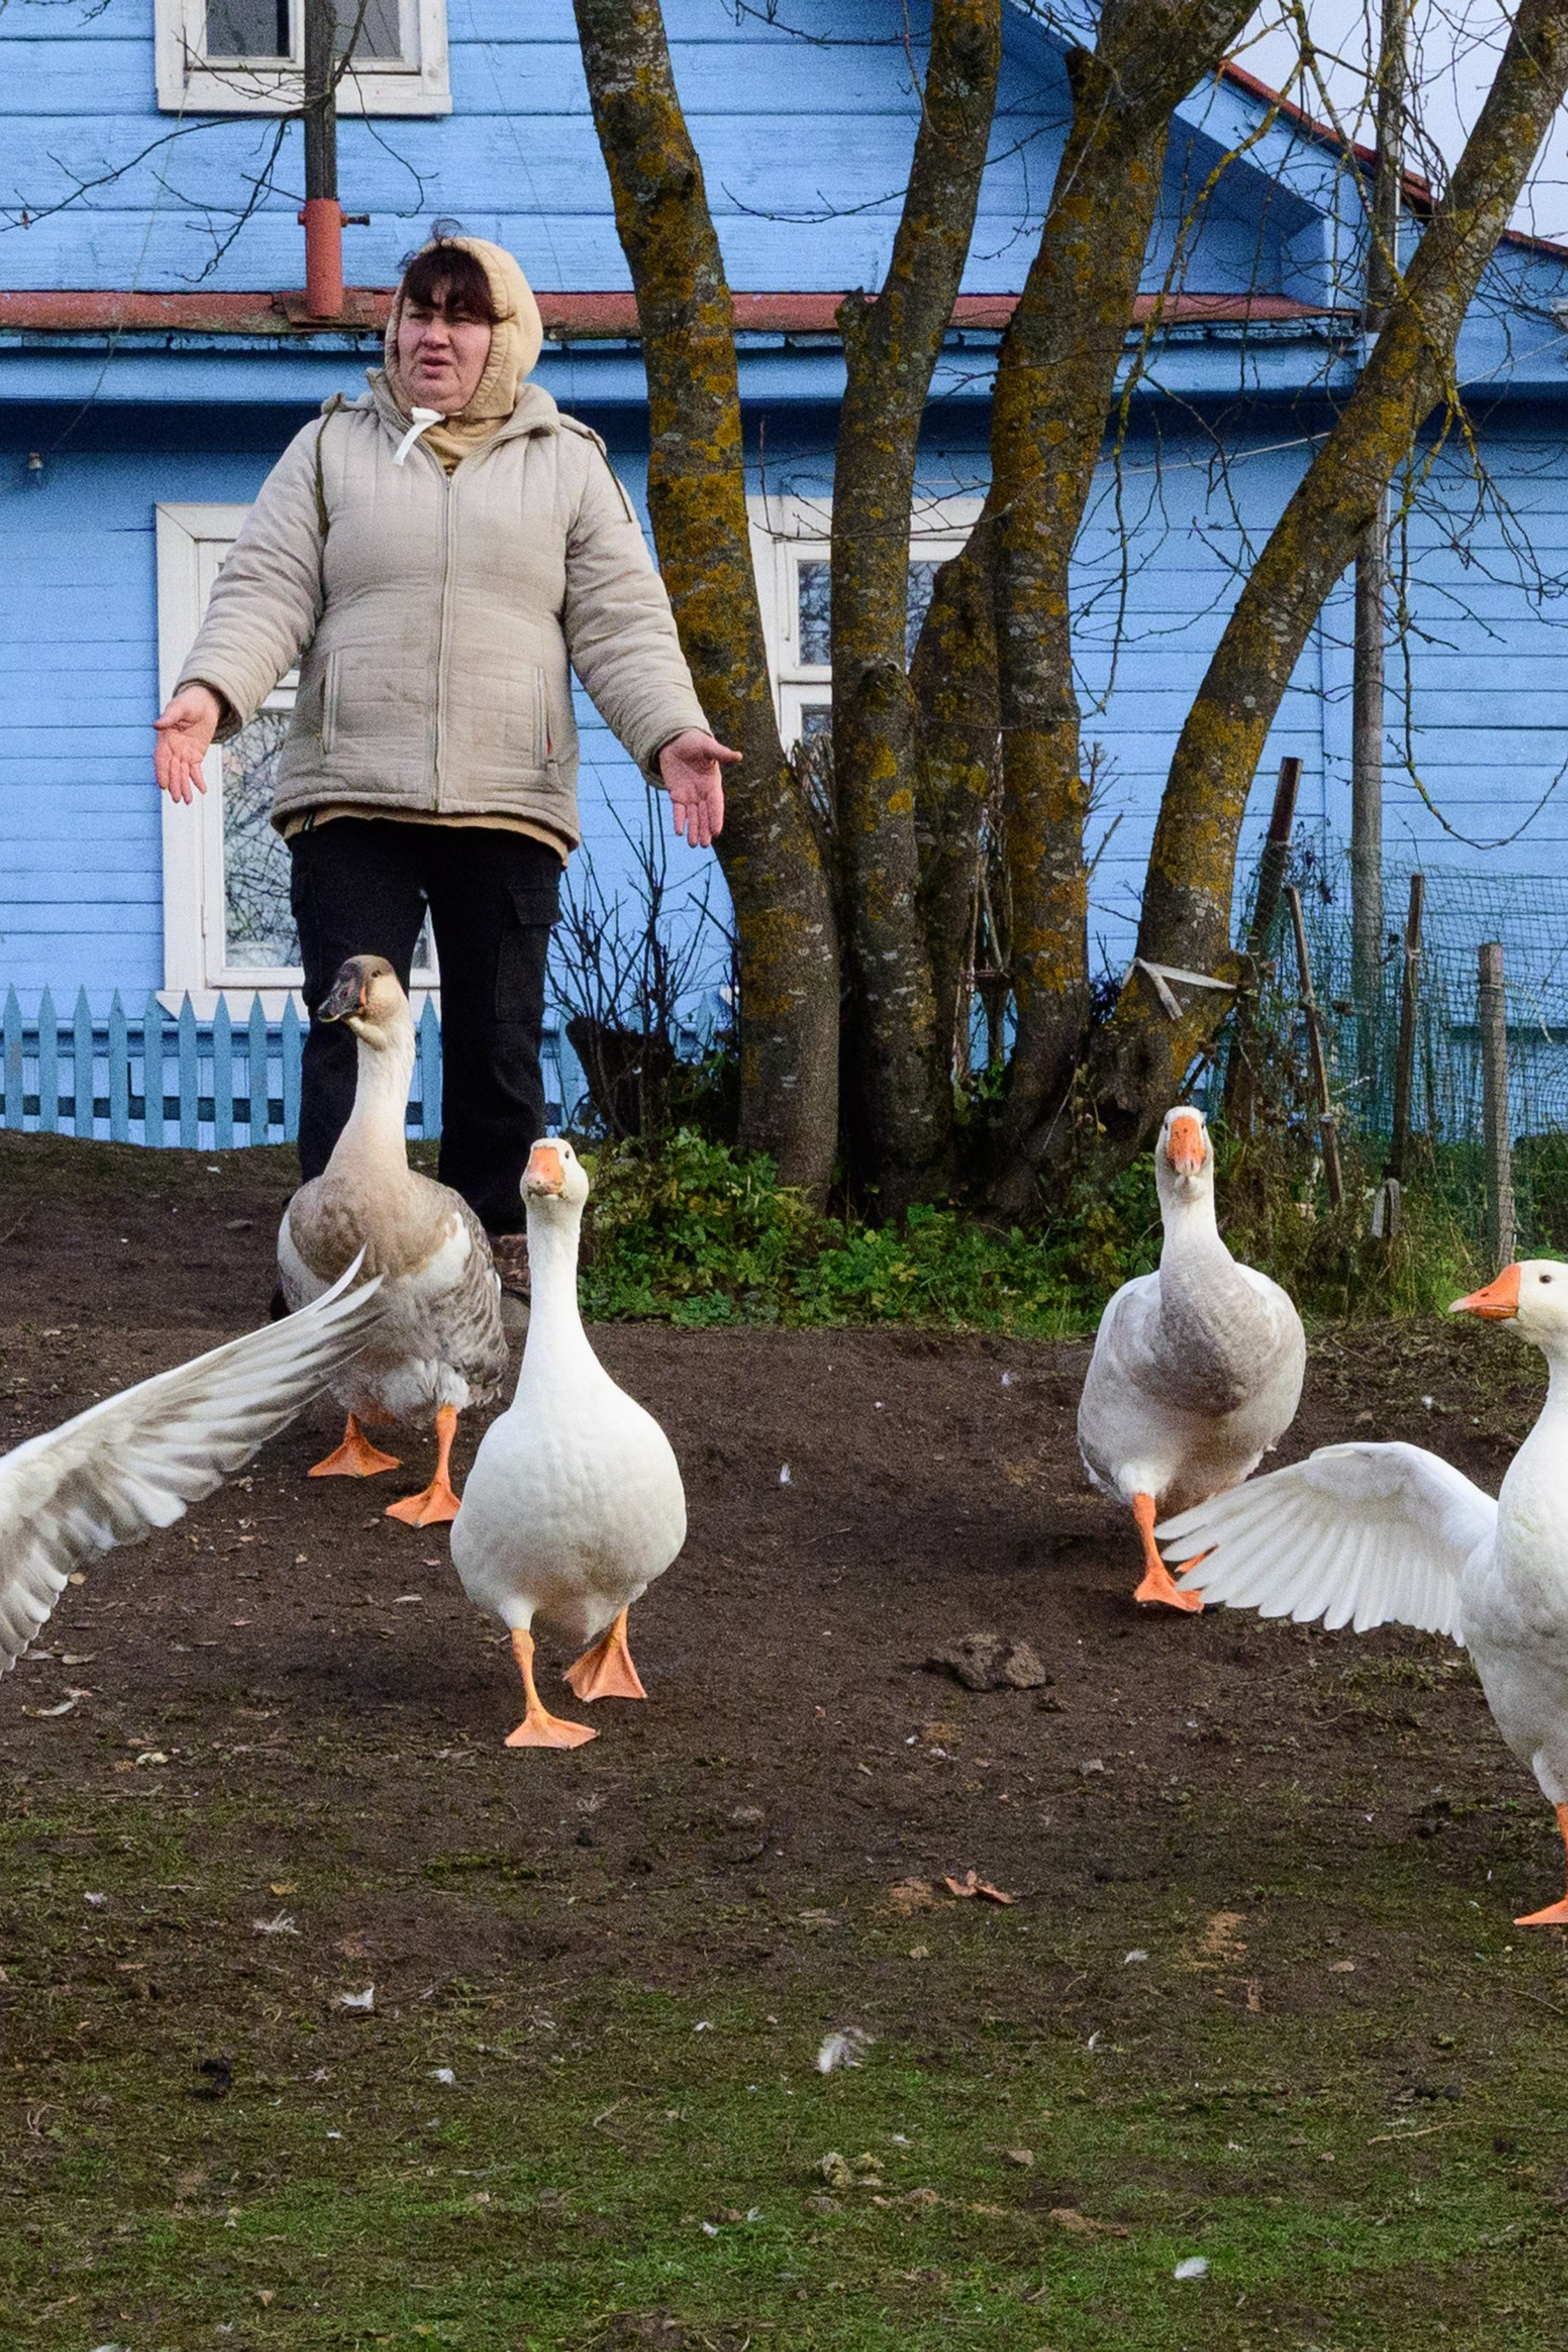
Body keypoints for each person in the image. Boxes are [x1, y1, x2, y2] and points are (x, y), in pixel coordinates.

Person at [153, 233, 736, 1282]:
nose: (433, 335)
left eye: (462, 317)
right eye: (418, 312)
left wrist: (670, 732)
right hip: (352, 796)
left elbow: (621, 623)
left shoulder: (569, 463)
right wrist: (210, 695)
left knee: (497, 1039)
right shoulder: (332, 447)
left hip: (508, 800)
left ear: (505, 340)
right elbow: (265, 587)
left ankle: (487, 1263)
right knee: (344, 1039)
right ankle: (327, 1264)